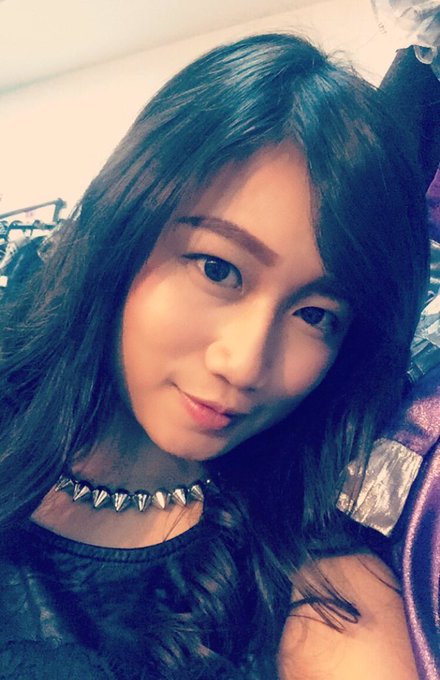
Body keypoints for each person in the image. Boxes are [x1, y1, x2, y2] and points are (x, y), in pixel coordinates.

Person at [0, 33, 429, 679]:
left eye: (315, 315)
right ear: (123, 229)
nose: (244, 364)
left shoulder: (321, 590)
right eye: (218, 269)